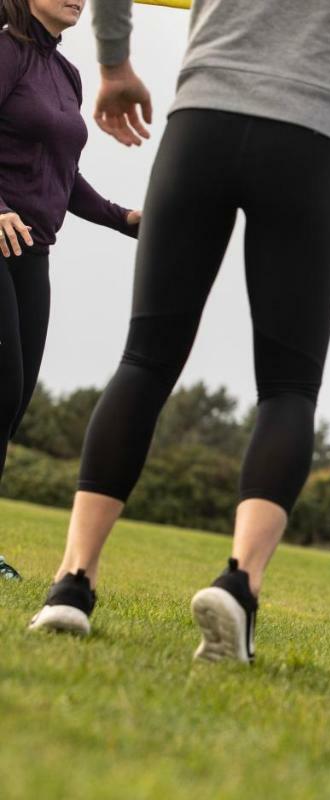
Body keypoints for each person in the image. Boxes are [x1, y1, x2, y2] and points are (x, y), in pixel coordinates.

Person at [27, 0, 330, 664]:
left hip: (201, 124)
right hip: (304, 140)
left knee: (144, 362)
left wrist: (113, 63)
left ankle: (72, 582)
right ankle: (239, 585)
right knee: (288, 389)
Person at [1, 0, 140, 583]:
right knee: (1, 385)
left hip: (33, 252)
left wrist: (124, 218)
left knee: (12, 404)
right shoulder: (5, 49)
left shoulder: (67, 75)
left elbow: (65, 176)